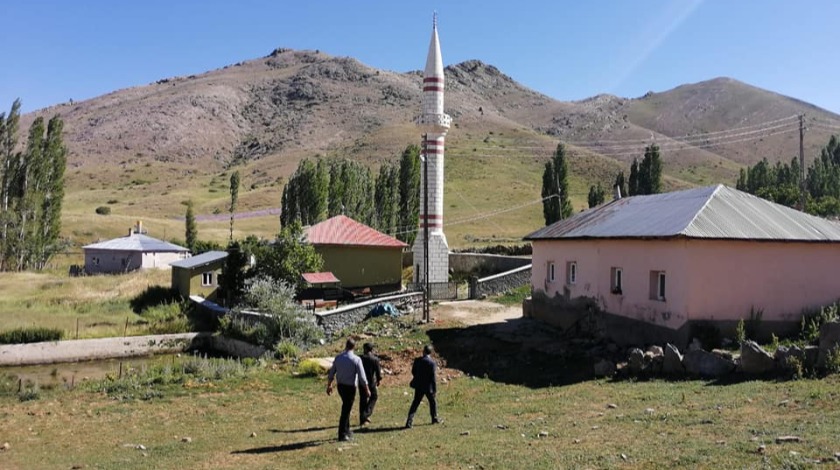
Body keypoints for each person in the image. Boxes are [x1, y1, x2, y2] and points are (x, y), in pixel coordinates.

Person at [327, 338, 369, 442]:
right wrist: (367, 389)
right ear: (354, 347)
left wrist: (329, 385)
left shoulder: (338, 358)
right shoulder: (356, 359)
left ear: (346, 345)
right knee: (346, 410)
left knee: (346, 407)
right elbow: (362, 377)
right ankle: (342, 434)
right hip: (350, 387)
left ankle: (347, 430)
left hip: (341, 386)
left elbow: (331, 373)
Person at [405, 344, 441, 428]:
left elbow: (413, 371)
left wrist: (418, 378)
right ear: (431, 352)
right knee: (432, 402)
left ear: (423, 351)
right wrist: (434, 389)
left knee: (415, 403)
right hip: (428, 386)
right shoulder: (432, 363)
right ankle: (434, 418)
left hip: (419, 385)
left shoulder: (417, 360)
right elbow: (433, 377)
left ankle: (409, 422)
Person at [359, 342, 382, 425]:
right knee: (374, 396)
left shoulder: (360, 358)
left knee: (363, 399)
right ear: (372, 350)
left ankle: (362, 420)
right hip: (371, 382)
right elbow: (378, 371)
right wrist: (379, 379)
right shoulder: (375, 359)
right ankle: (365, 414)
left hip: (361, 381)